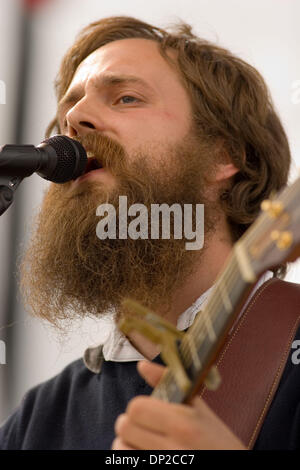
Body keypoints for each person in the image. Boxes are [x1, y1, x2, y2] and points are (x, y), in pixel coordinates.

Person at [0, 16, 299, 450]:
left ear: (225, 154)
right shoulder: (39, 420)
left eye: (125, 98)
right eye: (70, 108)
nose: (75, 117)